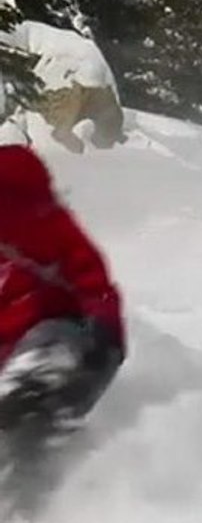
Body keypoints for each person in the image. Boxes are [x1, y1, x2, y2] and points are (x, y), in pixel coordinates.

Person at [0, 144, 125, 431]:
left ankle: (30, 397)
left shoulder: (54, 235)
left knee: (46, 346)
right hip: (10, 350)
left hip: (68, 342)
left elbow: (96, 288)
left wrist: (105, 330)